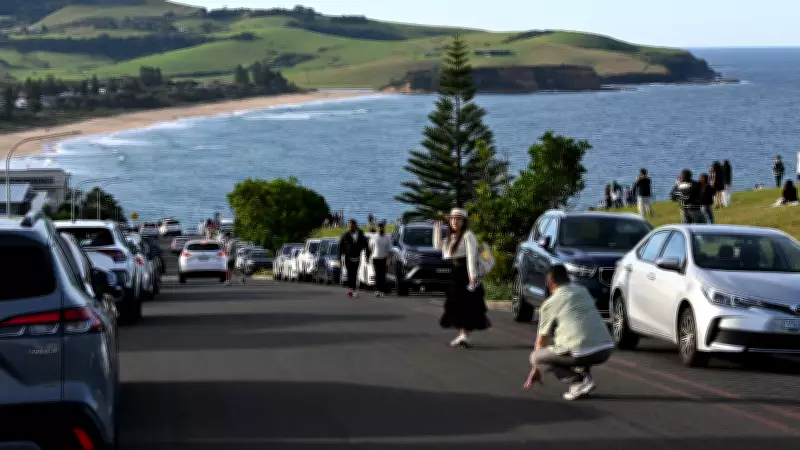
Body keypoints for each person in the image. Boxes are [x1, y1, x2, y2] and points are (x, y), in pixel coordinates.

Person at [523, 265, 614, 401]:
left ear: (549, 284)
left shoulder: (550, 303)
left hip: (582, 351)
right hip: (605, 348)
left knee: (536, 357)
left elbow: (541, 341)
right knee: (575, 342)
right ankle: (584, 379)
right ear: (568, 279)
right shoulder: (582, 291)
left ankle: (578, 382)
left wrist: (535, 369)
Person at [433, 208, 490, 347]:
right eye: (452, 219)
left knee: (467, 305)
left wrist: (473, 278)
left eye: (458, 219)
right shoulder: (452, 237)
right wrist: (437, 231)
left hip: (466, 274)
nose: (454, 222)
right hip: (456, 274)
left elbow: (471, 257)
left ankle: (464, 334)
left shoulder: (468, 235)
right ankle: (462, 334)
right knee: (457, 305)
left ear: (464, 221)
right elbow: (438, 247)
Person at [338, 219, 369, 298]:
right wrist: (339, 258)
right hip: (348, 258)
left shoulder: (361, 234)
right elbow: (340, 247)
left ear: (355, 225)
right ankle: (351, 289)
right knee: (349, 273)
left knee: (355, 273)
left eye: (352, 225)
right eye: (349, 226)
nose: (350, 227)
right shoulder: (345, 235)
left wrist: (367, 255)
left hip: (357, 257)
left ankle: (353, 289)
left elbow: (366, 245)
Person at [369, 221, 392, 297]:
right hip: (375, 258)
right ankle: (377, 290)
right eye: (379, 228)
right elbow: (370, 248)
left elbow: (389, 250)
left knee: (382, 275)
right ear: (377, 228)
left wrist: (388, 259)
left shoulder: (387, 237)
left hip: (384, 258)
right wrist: (369, 257)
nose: (380, 229)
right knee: (377, 275)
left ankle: (382, 290)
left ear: (384, 229)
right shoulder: (373, 237)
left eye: (382, 228)